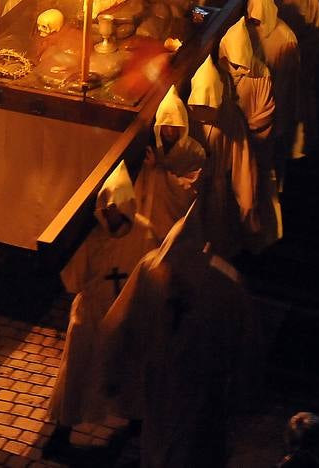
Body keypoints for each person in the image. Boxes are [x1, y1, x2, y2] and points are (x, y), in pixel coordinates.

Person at [102, 201, 257, 468]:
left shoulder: (225, 286)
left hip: (202, 382)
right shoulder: (150, 270)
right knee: (159, 437)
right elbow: (122, 321)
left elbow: (245, 342)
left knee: (191, 443)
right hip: (160, 377)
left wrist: (242, 390)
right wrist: (113, 369)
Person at [43, 161, 160, 460]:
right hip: (92, 317)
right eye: (106, 209)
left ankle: (136, 421)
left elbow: (154, 272)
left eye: (115, 208)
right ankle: (62, 432)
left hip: (126, 316)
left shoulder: (145, 233)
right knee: (79, 373)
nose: (110, 214)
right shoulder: (94, 238)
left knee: (130, 368)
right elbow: (73, 278)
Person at [219, 16, 281, 249]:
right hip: (234, 145)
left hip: (253, 141)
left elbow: (266, 111)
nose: (236, 69)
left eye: (238, 64)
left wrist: (246, 129)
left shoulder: (259, 74)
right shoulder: (221, 75)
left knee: (253, 191)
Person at [187, 55, 258, 257]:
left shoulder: (230, 119)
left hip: (216, 186)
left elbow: (242, 160)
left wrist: (246, 200)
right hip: (194, 186)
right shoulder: (187, 116)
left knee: (217, 231)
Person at [133, 85, 205, 243]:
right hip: (152, 221)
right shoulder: (153, 150)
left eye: (175, 126)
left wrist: (157, 170)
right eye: (166, 126)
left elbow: (189, 191)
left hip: (177, 224)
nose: (170, 131)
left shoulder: (194, 152)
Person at [272, 0, 319, 158]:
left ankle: (300, 148)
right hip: (273, 67)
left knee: (298, 107)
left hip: (299, 65)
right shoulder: (269, 0)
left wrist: (303, 60)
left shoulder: (309, 1)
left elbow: (316, 34)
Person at [246, 0, 300, 179]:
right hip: (252, 110)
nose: (256, 25)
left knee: (270, 164)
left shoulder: (285, 38)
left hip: (274, 106)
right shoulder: (247, 30)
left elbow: (288, 82)